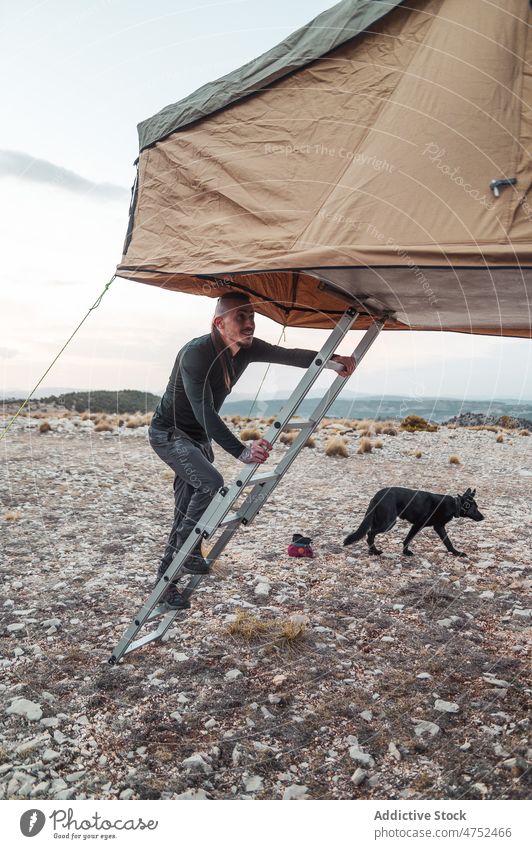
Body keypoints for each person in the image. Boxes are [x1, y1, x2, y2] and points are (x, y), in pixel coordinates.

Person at [149, 293, 356, 608]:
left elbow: (289, 355)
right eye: (240, 317)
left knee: (185, 514)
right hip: (170, 435)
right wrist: (241, 451)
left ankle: (167, 583)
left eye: (252, 317)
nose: (249, 324)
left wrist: (334, 362)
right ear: (220, 323)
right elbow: (204, 410)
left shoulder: (246, 349)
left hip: (198, 440)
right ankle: (185, 555)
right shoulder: (197, 354)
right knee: (211, 484)